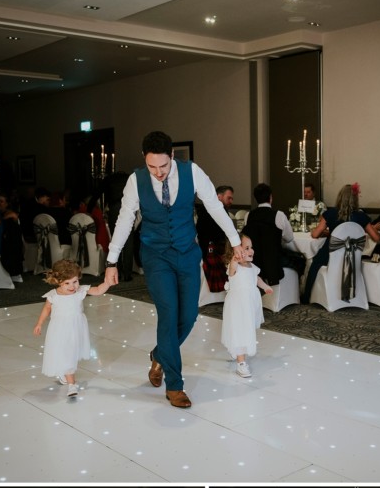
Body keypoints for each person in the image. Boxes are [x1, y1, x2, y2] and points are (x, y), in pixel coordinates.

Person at [103, 130, 242, 409]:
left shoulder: (192, 172)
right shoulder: (136, 180)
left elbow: (214, 207)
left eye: (163, 166)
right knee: (168, 313)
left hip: (188, 254)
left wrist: (236, 240)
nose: (158, 173)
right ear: (145, 160)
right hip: (156, 257)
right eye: (152, 166)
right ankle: (175, 385)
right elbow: (124, 220)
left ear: (172, 157)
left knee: (189, 315)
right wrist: (111, 261)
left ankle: (159, 354)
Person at [33, 259, 111, 398]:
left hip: (76, 328)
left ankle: (64, 373)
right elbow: (46, 309)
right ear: (58, 282)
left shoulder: (80, 291)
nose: (72, 286)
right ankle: (71, 385)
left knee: (71, 353)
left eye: (75, 281)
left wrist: (107, 283)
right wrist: (39, 323)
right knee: (67, 354)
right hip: (60, 329)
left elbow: (98, 290)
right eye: (67, 283)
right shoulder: (53, 295)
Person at [301, 182, 370, 303]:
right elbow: (377, 237)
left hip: (331, 253)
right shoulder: (361, 216)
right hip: (353, 256)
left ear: (340, 197)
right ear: (355, 198)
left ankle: (306, 297)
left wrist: (327, 232)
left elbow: (315, 234)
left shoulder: (331, 213)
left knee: (314, 264)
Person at [220, 233, 273, 378]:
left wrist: (265, 286)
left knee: (246, 328)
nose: (251, 251)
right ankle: (241, 363)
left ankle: (238, 353)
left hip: (249, 304)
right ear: (235, 251)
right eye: (247, 248)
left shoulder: (252, 267)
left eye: (252, 247)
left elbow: (257, 279)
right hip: (238, 305)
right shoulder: (234, 266)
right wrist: (234, 259)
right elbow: (231, 272)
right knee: (240, 331)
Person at [242, 182, 305, 289]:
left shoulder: (248, 216)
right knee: (300, 260)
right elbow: (289, 238)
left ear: (256, 198)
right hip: (274, 260)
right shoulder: (278, 215)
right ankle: (298, 291)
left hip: (254, 259)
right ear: (270, 198)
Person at [196, 184, 234, 292]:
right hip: (210, 249)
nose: (231, 201)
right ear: (219, 197)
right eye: (229, 198)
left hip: (214, 246)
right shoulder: (209, 210)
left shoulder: (220, 209)